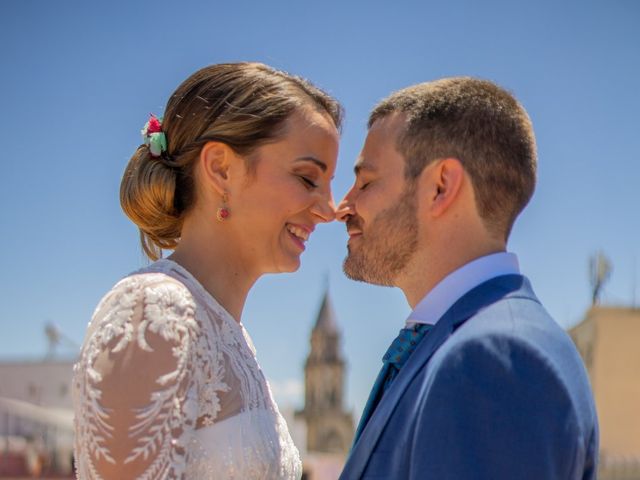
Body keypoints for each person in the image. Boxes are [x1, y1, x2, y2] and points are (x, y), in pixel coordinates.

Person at [72, 62, 341, 479]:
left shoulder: (230, 335)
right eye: (308, 179)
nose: (329, 209)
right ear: (220, 169)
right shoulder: (153, 311)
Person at [336, 77, 598, 479]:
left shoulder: (495, 360)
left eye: (366, 181)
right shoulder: (470, 344)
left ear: (441, 186)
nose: (343, 206)